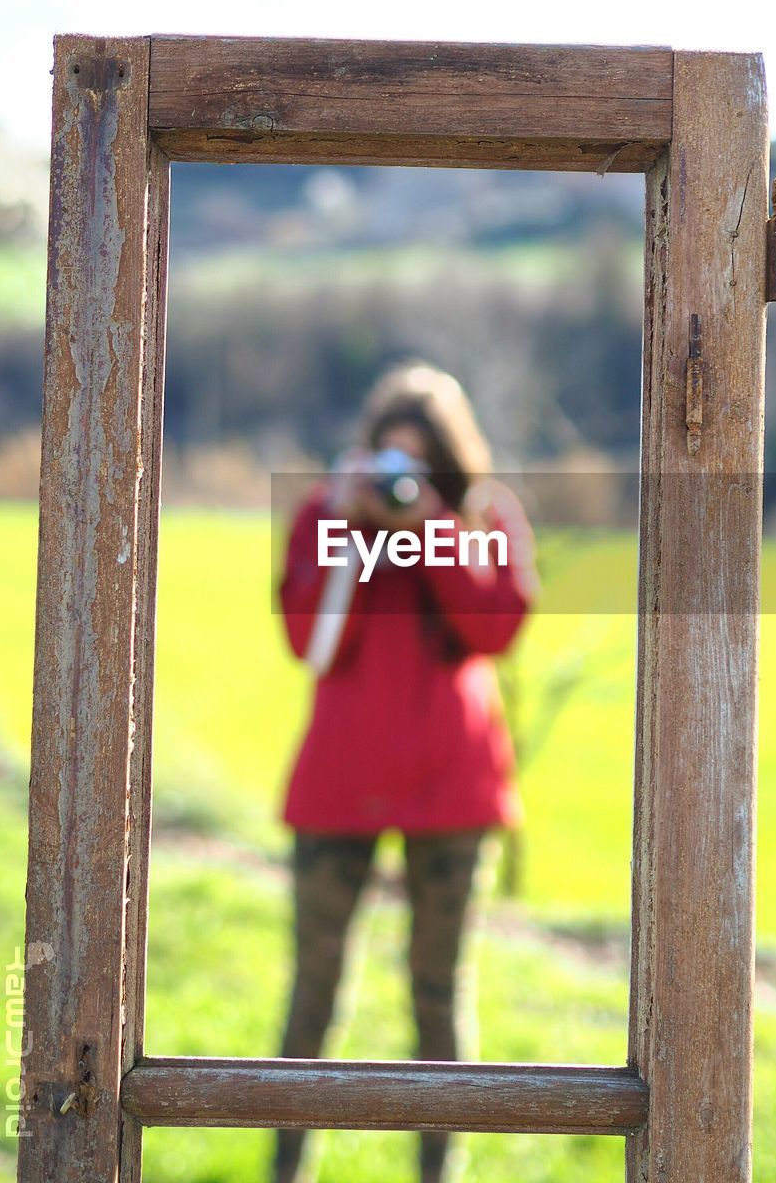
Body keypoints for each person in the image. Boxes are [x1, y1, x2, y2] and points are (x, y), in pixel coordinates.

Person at [274, 361, 537, 1183]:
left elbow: (495, 629)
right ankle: (286, 1167)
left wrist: (430, 529)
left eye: (416, 469)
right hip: (339, 785)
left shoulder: (483, 516)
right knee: (312, 988)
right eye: (387, 465)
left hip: (453, 789)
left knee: (439, 993)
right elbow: (307, 640)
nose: (399, 484)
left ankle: (439, 1172)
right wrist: (351, 531)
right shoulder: (327, 514)